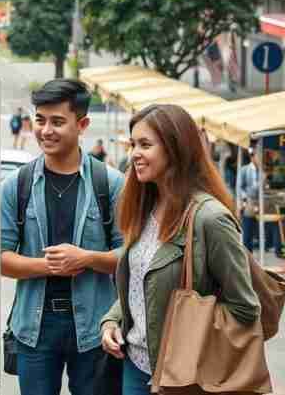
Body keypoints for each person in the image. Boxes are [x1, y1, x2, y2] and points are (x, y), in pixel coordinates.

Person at [100, 104, 259, 395]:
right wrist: (113, 320)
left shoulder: (210, 219)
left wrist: (188, 337)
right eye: (133, 143)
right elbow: (139, 282)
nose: (134, 152)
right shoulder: (143, 208)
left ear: (175, 149)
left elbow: (245, 308)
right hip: (135, 367)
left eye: (145, 144)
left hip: (185, 378)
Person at [0, 79, 125, 395]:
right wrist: (50, 266)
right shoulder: (17, 185)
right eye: (40, 120)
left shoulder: (110, 183)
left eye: (57, 122)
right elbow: (0, 259)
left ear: (82, 124)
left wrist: (87, 258)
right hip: (34, 328)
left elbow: (131, 256)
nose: (45, 130)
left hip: (97, 327)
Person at [237, 149, 282, 257]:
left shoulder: (263, 171)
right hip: (250, 202)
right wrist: (244, 200)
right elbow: (240, 188)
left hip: (263, 201)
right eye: (259, 156)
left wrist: (268, 189)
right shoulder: (244, 170)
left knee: (275, 221)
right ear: (252, 157)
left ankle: (277, 249)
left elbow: (265, 188)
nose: (261, 159)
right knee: (248, 227)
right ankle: (248, 253)